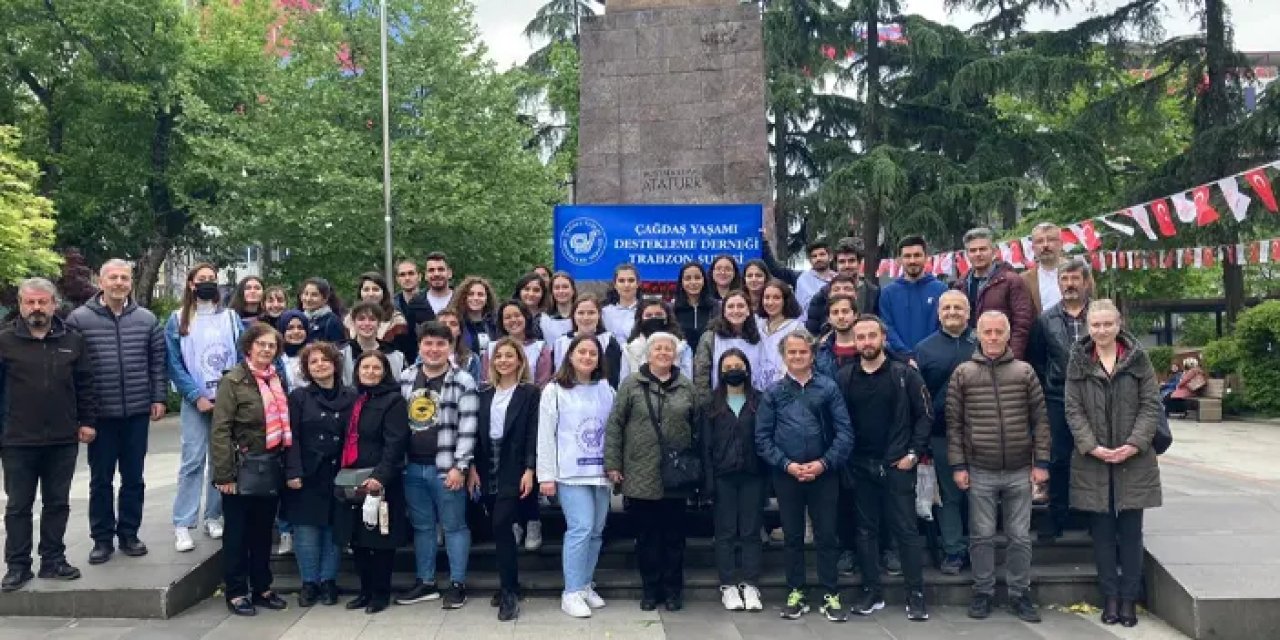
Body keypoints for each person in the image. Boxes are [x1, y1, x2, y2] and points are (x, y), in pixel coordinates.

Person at [946, 311, 1051, 623]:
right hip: (980, 468)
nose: (992, 337)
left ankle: (1020, 593)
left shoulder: (1024, 371)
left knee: (1020, 536)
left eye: (998, 332)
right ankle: (983, 591)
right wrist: (958, 465)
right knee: (981, 535)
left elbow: (1040, 421)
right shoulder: (963, 373)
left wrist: (1041, 462)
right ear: (978, 335)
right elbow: (954, 425)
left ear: (1007, 335)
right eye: (987, 332)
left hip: (1019, 468)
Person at [1064, 300, 1163, 628]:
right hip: (1093, 461)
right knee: (1103, 534)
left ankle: (1129, 598)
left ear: (1119, 324)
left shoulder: (1138, 359)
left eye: (1108, 324)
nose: (1102, 330)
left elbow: (1151, 404)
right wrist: (1091, 446)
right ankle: (1110, 596)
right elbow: (1073, 408)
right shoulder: (1078, 360)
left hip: (1134, 459)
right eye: (1096, 325)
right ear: (1088, 327)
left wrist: (1134, 444)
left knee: (1132, 533)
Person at [66, 260, 166, 566]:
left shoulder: (147, 319)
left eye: (125, 277)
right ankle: (101, 539)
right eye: (113, 277)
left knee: (134, 478)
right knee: (101, 480)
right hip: (100, 414)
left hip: (136, 411)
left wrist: (158, 397)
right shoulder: (79, 320)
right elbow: (72, 369)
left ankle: (129, 534)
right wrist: (81, 414)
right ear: (101, 281)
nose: (119, 282)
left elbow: (157, 363)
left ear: (131, 282)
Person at [0, 278, 97, 592]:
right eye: (30, 302)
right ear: (20, 305)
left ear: (54, 304)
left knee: (57, 503)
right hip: (17, 440)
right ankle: (17, 566)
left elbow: (85, 385)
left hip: (62, 438)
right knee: (18, 506)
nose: (36, 308)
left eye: (43, 302)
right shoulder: (4, 341)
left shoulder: (73, 340)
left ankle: (53, 560)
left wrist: (87, 422)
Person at [755, 329, 854, 622]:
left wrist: (824, 463)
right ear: (784, 357)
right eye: (792, 352)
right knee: (793, 536)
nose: (797, 357)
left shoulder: (828, 388)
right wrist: (786, 464)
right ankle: (796, 591)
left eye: (803, 352)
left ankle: (830, 593)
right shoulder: (773, 392)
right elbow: (762, 438)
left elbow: (845, 433)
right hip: (787, 475)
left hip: (824, 474)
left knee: (826, 535)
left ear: (812, 355)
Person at [837, 315, 931, 622]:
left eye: (872, 336)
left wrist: (913, 453)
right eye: (861, 337)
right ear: (854, 341)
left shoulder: (905, 374)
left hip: (897, 464)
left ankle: (916, 594)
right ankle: (871, 591)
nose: (867, 342)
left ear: (883, 338)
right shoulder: (845, 377)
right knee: (865, 532)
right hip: (860, 465)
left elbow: (925, 416)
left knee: (906, 530)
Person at [605, 332, 698, 612]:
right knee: (647, 537)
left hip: (676, 476)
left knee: (674, 538)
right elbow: (615, 424)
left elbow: (697, 427)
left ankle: (673, 591)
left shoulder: (686, 386)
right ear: (648, 354)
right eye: (658, 348)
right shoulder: (631, 384)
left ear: (675, 355)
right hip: (640, 472)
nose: (663, 353)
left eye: (668, 349)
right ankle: (650, 589)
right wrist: (613, 463)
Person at [210, 322, 291, 616]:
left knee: (262, 531)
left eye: (272, 346)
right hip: (240, 468)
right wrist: (224, 475)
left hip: (269, 465)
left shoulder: (276, 378)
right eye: (261, 344)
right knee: (237, 534)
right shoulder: (233, 381)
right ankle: (235, 591)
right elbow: (220, 430)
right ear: (249, 347)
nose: (266, 350)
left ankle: (262, 588)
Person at [395, 321, 478, 609]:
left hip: (446, 467)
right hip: (411, 467)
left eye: (441, 344)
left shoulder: (463, 380)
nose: (434, 349)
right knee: (423, 527)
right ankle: (426, 581)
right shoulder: (406, 378)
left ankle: (457, 584)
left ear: (450, 347)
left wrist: (460, 466)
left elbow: (468, 427)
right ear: (419, 346)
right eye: (428, 343)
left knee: (454, 526)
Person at [537, 334, 615, 618]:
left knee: (596, 532)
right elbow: (545, 434)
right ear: (570, 355)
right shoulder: (554, 390)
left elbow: (614, 430)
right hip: (570, 473)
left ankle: (584, 584)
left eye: (592, 353)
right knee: (580, 528)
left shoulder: (606, 388)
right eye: (581, 352)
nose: (587, 357)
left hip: (600, 472)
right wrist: (546, 475)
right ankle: (570, 592)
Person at [167, 263, 241, 552]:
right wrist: (195, 395)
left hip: (227, 400)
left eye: (212, 278)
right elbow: (174, 363)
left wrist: (231, 394)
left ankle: (213, 515)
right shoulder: (178, 319)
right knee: (193, 461)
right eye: (202, 279)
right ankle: (183, 524)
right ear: (191, 284)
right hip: (194, 401)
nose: (208, 283)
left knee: (221, 460)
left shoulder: (231, 317)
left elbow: (240, 354)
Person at [468, 338, 541, 621]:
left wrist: (530, 469)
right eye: (499, 356)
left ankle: (509, 592)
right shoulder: (483, 393)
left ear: (520, 360)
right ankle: (509, 583)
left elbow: (533, 432)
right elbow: (475, 433)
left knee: (501, 524)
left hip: (515, 464)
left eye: (510, 356)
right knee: (499, 529)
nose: (503, 361)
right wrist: (472, 467)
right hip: (487, 464)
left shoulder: (529, 393)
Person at [335, 350, 410, 614]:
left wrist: (380, 477)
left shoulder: (393, 401)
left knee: (379, 541)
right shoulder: (354, 399)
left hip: (380, 479)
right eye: (365, 367)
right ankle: (364, 591)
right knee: (357, 539)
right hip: (352, 478)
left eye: (376, 368)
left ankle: (380, 593)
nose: (370, 372)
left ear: (385, 372)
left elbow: (395, 443)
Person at [283, 342, 356, 608]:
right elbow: (291, 437)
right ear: (306, 369)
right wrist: (293, 470)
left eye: (325, 360)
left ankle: (328, 581)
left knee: (333, 529)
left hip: (339, 472)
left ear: (335, 364)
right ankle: (309, 583)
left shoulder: (351, 396)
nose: (320, 365)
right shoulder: (299, 397)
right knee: (306, 531)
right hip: (307, 472)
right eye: (313, 362)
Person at [1027, 257, 1093, 539]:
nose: (1070, 284)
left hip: (1095, 396)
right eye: (1064, 279)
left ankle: (1093, 517)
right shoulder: (1046, 320)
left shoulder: (1100, 316)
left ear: (1086, 282)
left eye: (1075, 278)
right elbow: (1037, 359)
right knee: (1058, 457)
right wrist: (1050, 386)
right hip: (1057, 396)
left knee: (1093, 456)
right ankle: (1056, 516)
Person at [914, 291, 976, 575]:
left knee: (980, 496)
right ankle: (954, 551)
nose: (952, 312)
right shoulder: (924, 349)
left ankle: (979, 549)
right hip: (941, 435)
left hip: (982, 433)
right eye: (946, 307)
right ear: (938, 313)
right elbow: (919, 399)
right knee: (949, 497)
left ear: (968, 312)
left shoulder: (983, 342)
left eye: (958, 307)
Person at [700, 349, 765, 612]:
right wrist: (708, 481)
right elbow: (705, 445)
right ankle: (727, 585)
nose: (733, 371)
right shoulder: (711, 404)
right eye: (728, 367)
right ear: (720, 372)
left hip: (753, 475)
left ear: (747, 369)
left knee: (751, 531)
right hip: (722, 476)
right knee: (725, 532)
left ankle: (750, 583)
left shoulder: (760, 400)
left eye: (738, 366)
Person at [952, 227, 1034, 359]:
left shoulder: (1011, 281)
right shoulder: (961, 284)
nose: (978, 254)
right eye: (973, 250)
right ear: (967, 254)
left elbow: (1022, 324)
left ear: (994, 251)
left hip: (1003, 354)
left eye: (983, 249)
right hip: (970, 355)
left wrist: (1012, 357)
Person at [879, 236, 948, 358]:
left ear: (926, 257)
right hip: (899, 360)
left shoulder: (941, 290)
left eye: (917, 255)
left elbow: (944, 326)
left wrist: (928, 352)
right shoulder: (888, 293)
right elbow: (887, 328)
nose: (912, 260)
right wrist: (905, 355)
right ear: (899, 260)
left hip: (934, 358)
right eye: (907, 256)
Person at [805, 239, 881, 332]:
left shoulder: (873, 293)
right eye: (842, 261)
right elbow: (812, 331)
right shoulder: (822, 296)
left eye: (851, 261)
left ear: (859, 262)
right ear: (836, 265)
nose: (847, 265)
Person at [553, 294, 623, 388]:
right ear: (573, 315)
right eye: (581, 313)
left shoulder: (608, 341)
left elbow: (613, 379)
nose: (586, 318)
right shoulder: (560, 342)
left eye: (591, 313)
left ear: (599, 315)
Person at [620, 299, 693, 382]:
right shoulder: (629, 349)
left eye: (659, 314)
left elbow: (687, 380)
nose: (654, 318)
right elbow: (624, 382)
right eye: (648, 315)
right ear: (640, 320)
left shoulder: (682, 347)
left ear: (667, 318)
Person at [485, 301, 554, 387]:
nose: (513, 320)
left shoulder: (540, 348)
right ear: (502, 322)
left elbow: (542, 384)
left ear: (526, 317)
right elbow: (487, 381)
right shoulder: (492, 348)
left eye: (517, 315)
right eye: (507, 317)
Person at [343, 272, 409, 357]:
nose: (371, 294)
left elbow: (401, 353)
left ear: (383, 292)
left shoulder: (397, 321)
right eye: (366, 290)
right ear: (360, 293)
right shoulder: (349, 320)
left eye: (375, 289)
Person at [754, 279, 805, 386]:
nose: (770, 302)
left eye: (776, 298)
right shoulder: (757, 324)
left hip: (785, 388)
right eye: (767, 297)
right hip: (757, 389)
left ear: (785, 301)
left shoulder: (795, 327)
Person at [760, 238, 835, 311]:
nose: (818, 258)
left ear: (830, 257)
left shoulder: (838, 279)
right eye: (814, 256)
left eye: (822, 254)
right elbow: (776, 270)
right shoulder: (801, 278)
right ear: (810, 260)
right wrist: (763, 242)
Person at [347, 302, 406, 380]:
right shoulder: (342, 354)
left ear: (379, 324)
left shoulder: (396, 356)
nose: (367, 323)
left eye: (372, 319)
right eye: (361, 319)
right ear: (353, 323)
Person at [673, 261, 718, 349]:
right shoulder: (673, 309)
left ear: (704, 280)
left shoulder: (716, 307)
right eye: (688, 278)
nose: (693, 282)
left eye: (697, 278)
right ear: (681, 282)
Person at [1022, 222, 1065, 314]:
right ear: (1033, 248)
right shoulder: (1025, 279)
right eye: (1039, 241)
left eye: (1051, 239)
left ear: (1061, 244)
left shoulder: (1078, 270)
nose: (1045, 245)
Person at [448, 276, 498, 355]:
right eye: (471, 294)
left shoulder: (494, 324)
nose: (475, 298)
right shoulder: (455, 324)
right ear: (464, 297)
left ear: (487, 298)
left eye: (480, 294)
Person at [814, 294, 859, 379]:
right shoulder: (819, 351)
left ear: (855, 315)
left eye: (845, 311)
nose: (841, 316)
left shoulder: (867, 347)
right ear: (829, 319)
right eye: (835, 312)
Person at [298, 277, 347, 346]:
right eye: (306, 294)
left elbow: (339, 349)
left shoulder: (332, 322)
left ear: (325, 299)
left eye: (314, 295)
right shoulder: (299, 319)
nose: (308, 299)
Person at [437, 309, 482, 383]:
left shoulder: (472, 359)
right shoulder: (425, 355)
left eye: (453, 324)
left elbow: (474, 387)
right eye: (443, 324)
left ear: (459, 331)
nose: (447, 327)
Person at [602, 264, 641, 339]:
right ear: (615, 285)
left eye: (631, 280)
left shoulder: (646, 311)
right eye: (621, 281)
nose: (626, 285)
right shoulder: (604, 313)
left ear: (638, 284)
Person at [539, 272, 577, 346]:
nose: (561, 291)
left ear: (573, 290)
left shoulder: (583, 315)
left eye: (565, 287)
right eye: (557, 288)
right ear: (552, 292)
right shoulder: (542, 319)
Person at [278, 310, 311, 392]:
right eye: (290, 328)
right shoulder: (276, 358)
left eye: (300, 327)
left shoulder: (315, 354)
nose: (296, 332)